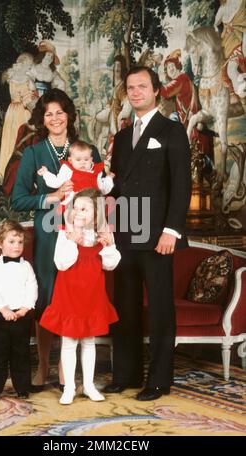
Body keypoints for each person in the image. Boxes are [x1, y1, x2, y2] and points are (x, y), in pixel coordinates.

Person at [104, 66, 191, 401]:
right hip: (125, 234)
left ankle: (158, 380)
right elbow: (117, 187)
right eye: (130, 87)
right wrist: (107, 222)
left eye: (142, 86)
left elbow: (182, 185)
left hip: (158, 236)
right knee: (124, 308)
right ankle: (125, 375)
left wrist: (171, 230)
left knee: (158, 310)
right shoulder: (123, 136)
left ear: (157, 90)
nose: (136, 92)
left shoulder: (171, 131)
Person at [11, 88, 101, 391]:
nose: (55, 118)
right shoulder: (35, 153)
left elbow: (102, 195)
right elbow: (18, 198)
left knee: (77, 299)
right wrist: (52, 196)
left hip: (85, 239)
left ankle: (67, 369)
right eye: (48, 113)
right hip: (50, 236)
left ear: (69, 115)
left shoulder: (86, 149)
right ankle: (43, 365)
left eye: (59, 112)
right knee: (49, 300)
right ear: (42, 119)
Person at [39, 188, 120, 405]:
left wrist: (109, 245)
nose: (77, 212)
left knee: (89, 342)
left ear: (96, 214)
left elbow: (110, 265)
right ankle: (69, 388)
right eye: (75, 208)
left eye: (84, 208)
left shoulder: (102, 235)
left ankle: (90, 385)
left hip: (92, 296)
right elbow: (62, 263)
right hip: (69, 295)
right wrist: (73, 241)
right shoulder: (65, 234)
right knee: (68, 343)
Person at [0, 220, 38, 400]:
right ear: (0, 243)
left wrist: (25, 308)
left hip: (21, 317)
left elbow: (32, 288)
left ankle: (22, 388)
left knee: (21, 354)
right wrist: (3, 309)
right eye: (12, 242)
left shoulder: (26, 266)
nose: (17, 246)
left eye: (20, 242)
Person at [0, 52, 38, 186]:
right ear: (23, 63)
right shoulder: (27, 79)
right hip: (22, 112)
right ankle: (10, 175)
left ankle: (8, 176)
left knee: (13, 141)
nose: (30, 68)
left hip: (12, 112)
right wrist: (31, 105)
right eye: (29, 65)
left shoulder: (10, 77)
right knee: (15, 141)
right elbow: (32, 99)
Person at [37, 139, 114, 209]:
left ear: (91, 160)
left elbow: (103, 189)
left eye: (86, 159)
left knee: (96, 213)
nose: (83, 162)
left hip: (92, 205)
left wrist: (108, 178)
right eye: (78, 159)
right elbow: (56, 182)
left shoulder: (96, 172)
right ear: (70, 160)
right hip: (73, 204)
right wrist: (46, 173)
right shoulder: (68, 170)